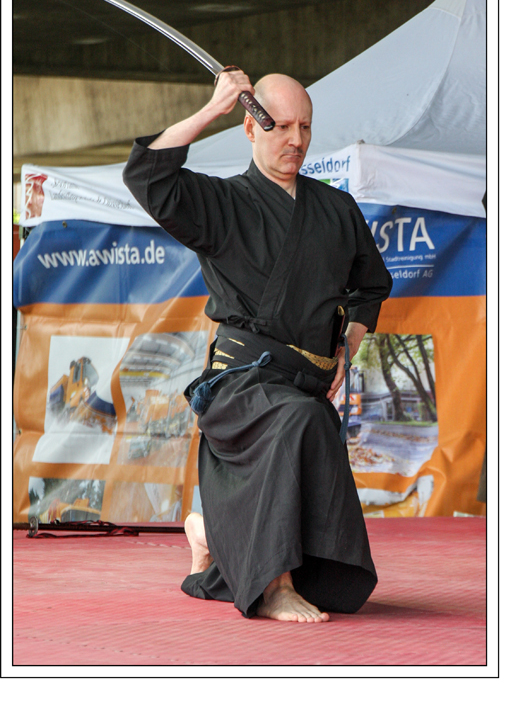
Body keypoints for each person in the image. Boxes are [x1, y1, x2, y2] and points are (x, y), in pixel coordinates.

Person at [123, 68, 393, 623]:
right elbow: (148, 174)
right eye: (281, 127)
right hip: (241, 383)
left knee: (308, 423)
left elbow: (372, 285)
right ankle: (272, 585)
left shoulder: (336, 210)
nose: (295, 140)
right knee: (299, 421)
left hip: (305, 381)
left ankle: (212, 541)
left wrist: (350, 344)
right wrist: (211, 109)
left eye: (305, 128)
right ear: (251, 128)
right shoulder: (221, 203)